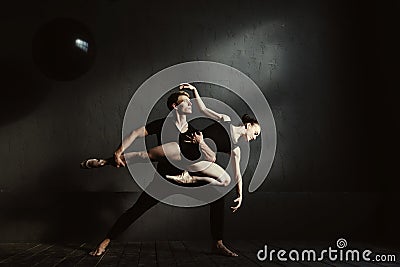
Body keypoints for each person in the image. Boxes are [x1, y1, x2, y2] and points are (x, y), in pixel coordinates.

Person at [86, 89, 240, 257]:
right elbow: (136, 133)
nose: (190, 104)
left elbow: (212, 158)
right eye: (185, 101)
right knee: (137, 209)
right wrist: (118, 151)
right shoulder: (162, 125)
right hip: (165, 179)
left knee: (217, 197)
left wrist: (201, 142)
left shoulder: (193, 131)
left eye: (190, 101)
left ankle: (217, 243)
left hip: (188, 179)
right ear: (175, 106)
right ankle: (106, 241)